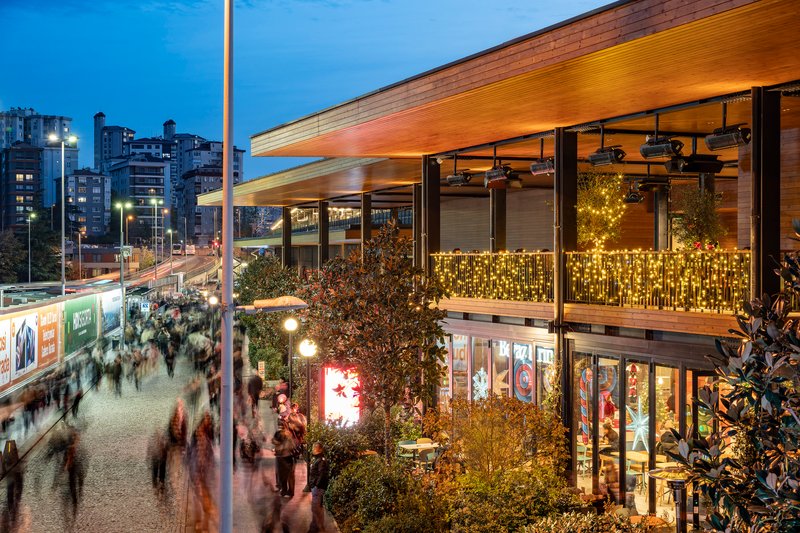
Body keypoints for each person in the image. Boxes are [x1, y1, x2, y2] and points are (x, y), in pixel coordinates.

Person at [307, 442, 329, 533]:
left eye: (314, 448)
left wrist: (316, 485)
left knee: (315, 508)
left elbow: (322, 474)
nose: (313, 449)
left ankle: (316, 528)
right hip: (316, 487)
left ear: (319, 449)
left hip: (318, 488)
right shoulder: (318, 459)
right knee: (317, 507)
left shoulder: (321, 460)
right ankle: (316, 526)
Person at [272, 421, 297, 498]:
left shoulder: (278, 434)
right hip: (289, 457)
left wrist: (278, 448)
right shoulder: (289, 434)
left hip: (281, 457)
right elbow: (293, 446)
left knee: (282, 475)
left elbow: (274, 441)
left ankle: (284, 491)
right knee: (290, 475)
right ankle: (291, 492)